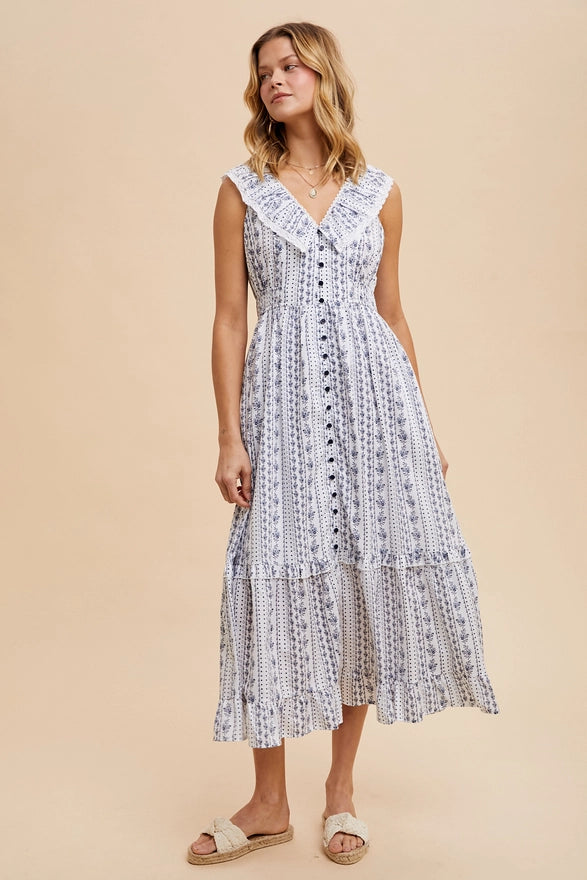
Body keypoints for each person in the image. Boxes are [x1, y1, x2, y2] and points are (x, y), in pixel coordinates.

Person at [187, 21, 499, 867]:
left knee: (361, 583)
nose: (275, 81)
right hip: (279, 410)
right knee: (271, 583)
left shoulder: (380, 190)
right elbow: (228, 318)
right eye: (263, 73)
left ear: (323, 75)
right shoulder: (242, 190)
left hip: (377, 411)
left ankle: (338, 792)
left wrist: (422, 428)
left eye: (290, 66)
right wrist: (228, 435)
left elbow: (390, 313)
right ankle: (266, 799)